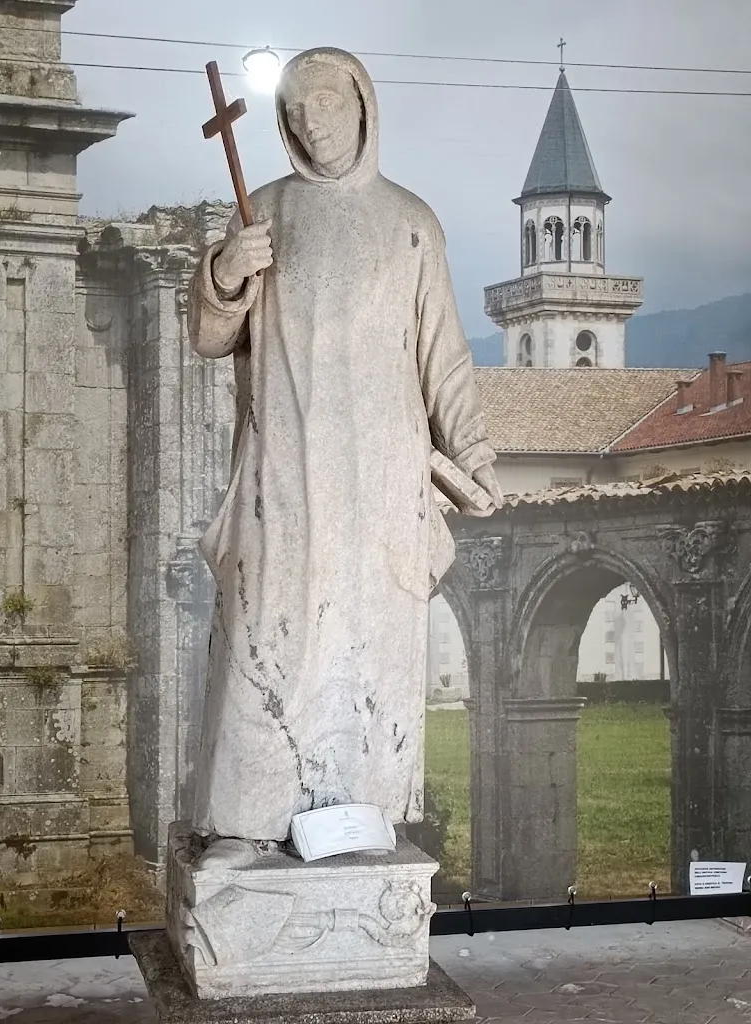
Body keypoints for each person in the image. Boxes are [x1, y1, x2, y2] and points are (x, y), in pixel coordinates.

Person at [187, 47, 501, 861]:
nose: (311, 121)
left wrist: (472, 450)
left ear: (363, 106)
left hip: (382, 470)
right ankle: (244, 821)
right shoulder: (264, 213)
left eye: (325, 102)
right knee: (269, 632)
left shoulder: (411, 223)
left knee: (369, 644)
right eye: (295, 110)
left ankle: (360, 818)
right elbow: (211, 336)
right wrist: (226, 271)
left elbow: (443, 356)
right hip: (286, 463)